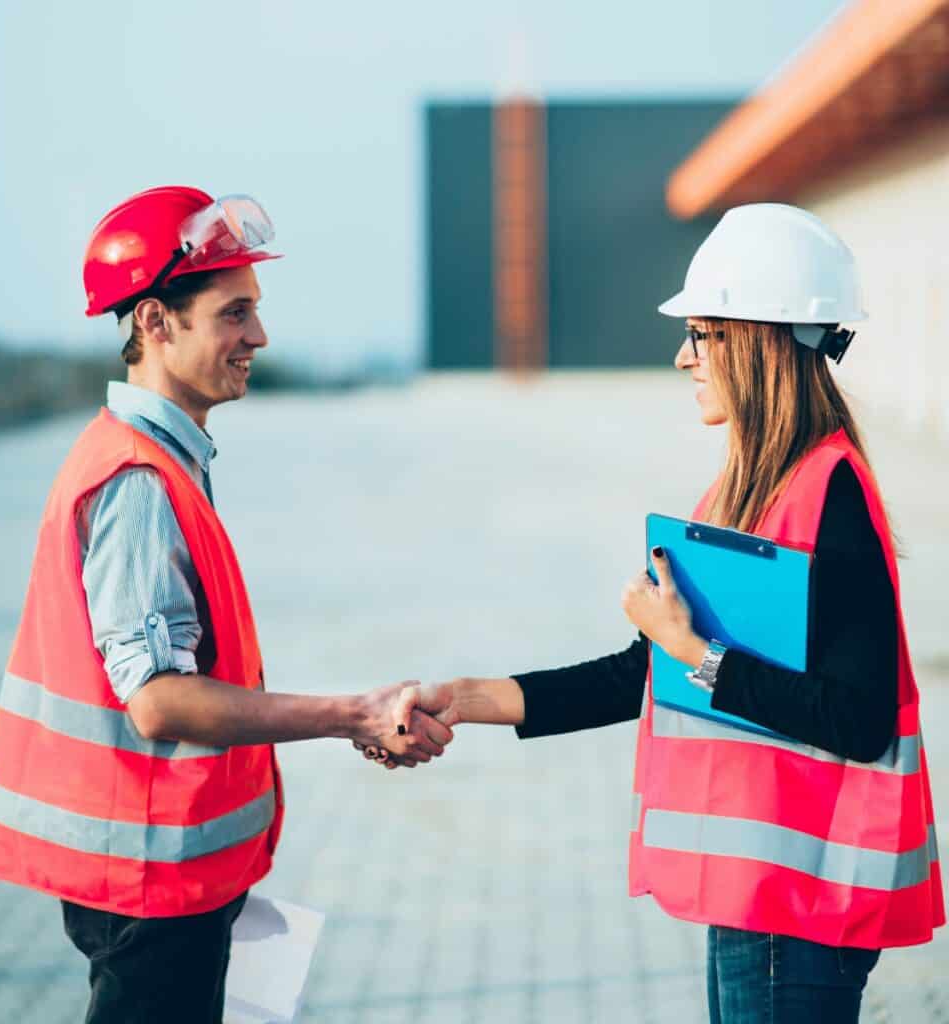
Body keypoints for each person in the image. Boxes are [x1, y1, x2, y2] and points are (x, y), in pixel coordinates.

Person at [376, 204, 945, 1022]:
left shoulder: (830, 493)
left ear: (759, 339)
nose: (684, 356)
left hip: (803, 909)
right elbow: (643, 673)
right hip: (762, 901)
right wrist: (464, 700)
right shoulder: (750, 491)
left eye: (704, 333)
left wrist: (699, 650)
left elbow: (857, 721)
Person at [0, 186, 452, 1024]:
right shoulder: (136, 481)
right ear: (157, 323)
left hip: (169, 871)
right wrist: (355, 712)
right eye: (234, 314)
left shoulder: (160, 460)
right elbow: (160, 701)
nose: (259, 338)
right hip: (149, 880)